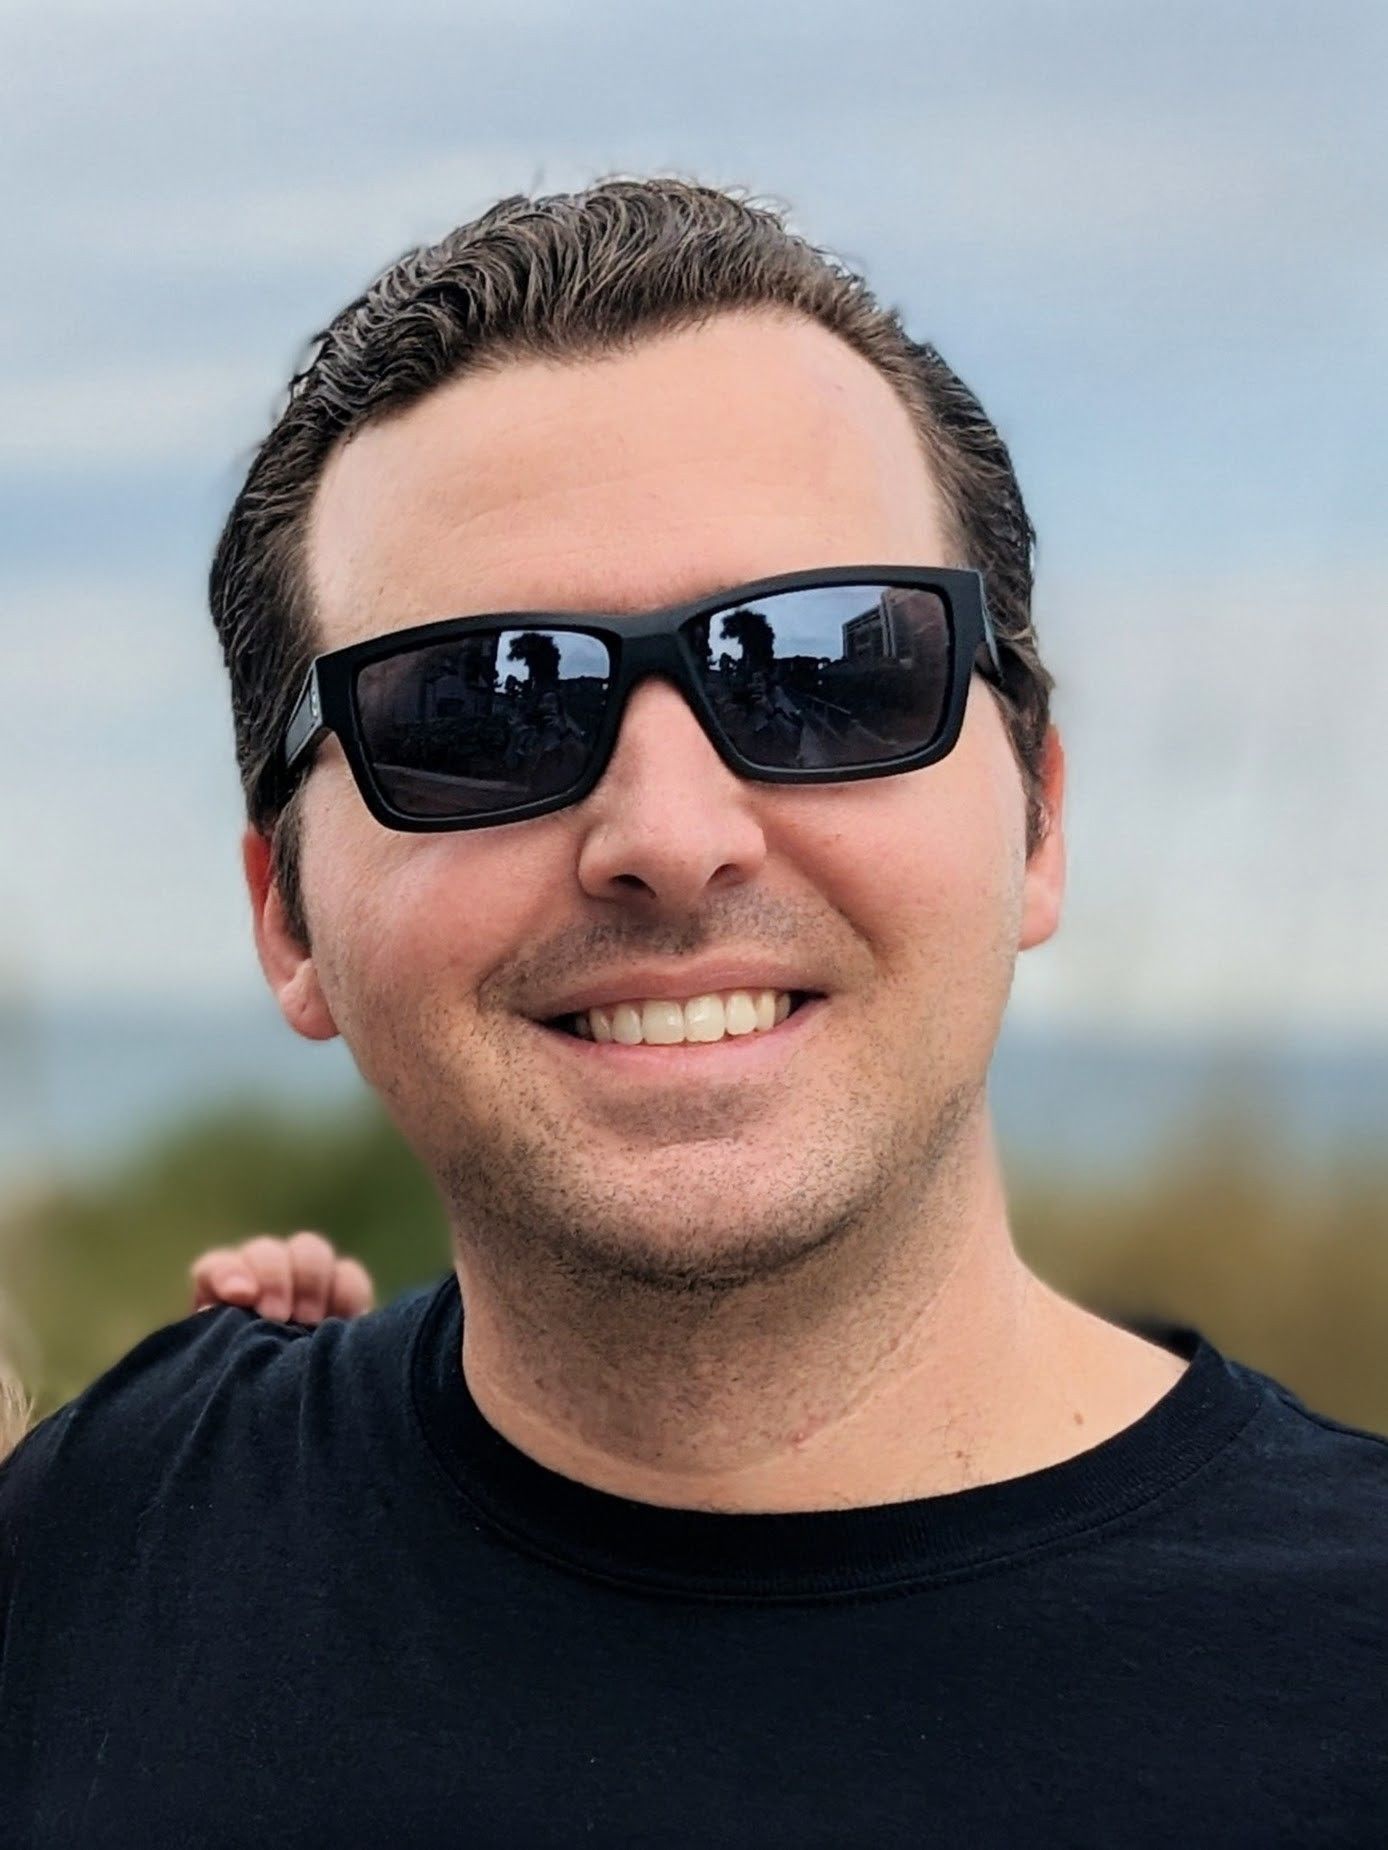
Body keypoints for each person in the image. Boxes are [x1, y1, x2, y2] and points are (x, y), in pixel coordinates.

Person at [2, 177, 1384, 1847]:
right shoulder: (89, 1557)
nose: (670, 833)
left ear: (1039, 818)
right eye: (483, 707)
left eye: (824, 670)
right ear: (286, 916)